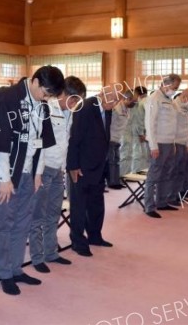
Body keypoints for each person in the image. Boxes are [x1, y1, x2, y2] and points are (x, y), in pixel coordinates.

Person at [0, 66, 64, 296]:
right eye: (46, 92)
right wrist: (4, 179)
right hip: (7, 174)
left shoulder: (42, 104)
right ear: (35, 81)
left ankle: (16, 268)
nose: (47, 98)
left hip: (29, 173)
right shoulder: (7, 97)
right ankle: (4, 273)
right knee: (4, 224)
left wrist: (38, 173)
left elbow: (40, 142)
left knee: (22, 223)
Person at [29, 76, 86, 273]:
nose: (76, 105)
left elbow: (67, 142)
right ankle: (36, 257)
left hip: (59, 170)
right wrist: (38, 173)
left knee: (53, 213)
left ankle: (50, 252)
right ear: (63, 95)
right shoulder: (46, 109)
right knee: (37, 215)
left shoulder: (71, 113)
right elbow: (39, 144)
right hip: (43, 170)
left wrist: (65, 167)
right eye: (74, 100)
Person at [67, 87, 121, 256]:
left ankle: (95, 236)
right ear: (102, 95)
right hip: (82, 167)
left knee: (96, 204)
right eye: (113, 100)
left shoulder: (107, 109)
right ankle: (78, 241)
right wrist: (73, 166)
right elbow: (74, 138)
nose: (115, 104)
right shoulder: (85, 107)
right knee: (79, 206)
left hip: (99, 165)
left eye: (117, 101)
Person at [143, 74, 181, 218]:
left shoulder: (169, 100)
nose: (175, 91)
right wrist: (153, 146)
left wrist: (174, 143)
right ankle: (149, 206)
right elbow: (150, 124)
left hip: (169, 142)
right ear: (165, 84)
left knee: (167, 173)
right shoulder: (154, 98)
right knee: (154, 175)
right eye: (174, 87)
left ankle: (162, 202)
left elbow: (172, 123)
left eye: (177, 88)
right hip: (158, 143)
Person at [168, 89, 188, 205]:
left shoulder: (186, 107)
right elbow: (171, 127)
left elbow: (187, 127)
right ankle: (169, 196)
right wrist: (172, 143)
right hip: (175, 142)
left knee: (181, 171)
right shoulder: (174, 105)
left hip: (184, 143)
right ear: (184, 96)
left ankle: (177, 194)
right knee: (172, 171)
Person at [107, 90, 135, 189]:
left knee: (116, 160)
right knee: (111, 161)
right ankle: (112, 183)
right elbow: (108, 124)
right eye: (133, 101)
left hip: (118, 138)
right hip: (110, 138)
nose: (135, 103)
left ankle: (116, 181)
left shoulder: (128, 109)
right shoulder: (116, 108)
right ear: (126, 98)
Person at [126, 86, 149, 174]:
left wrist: (141, 133)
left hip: (139, 131)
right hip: (147, 131)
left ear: (138, 94)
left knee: (137, 153)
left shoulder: (141, 103)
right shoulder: (150, 101)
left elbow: (139, 119)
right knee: (144, 153)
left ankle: (136, 172)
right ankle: (141, 172)